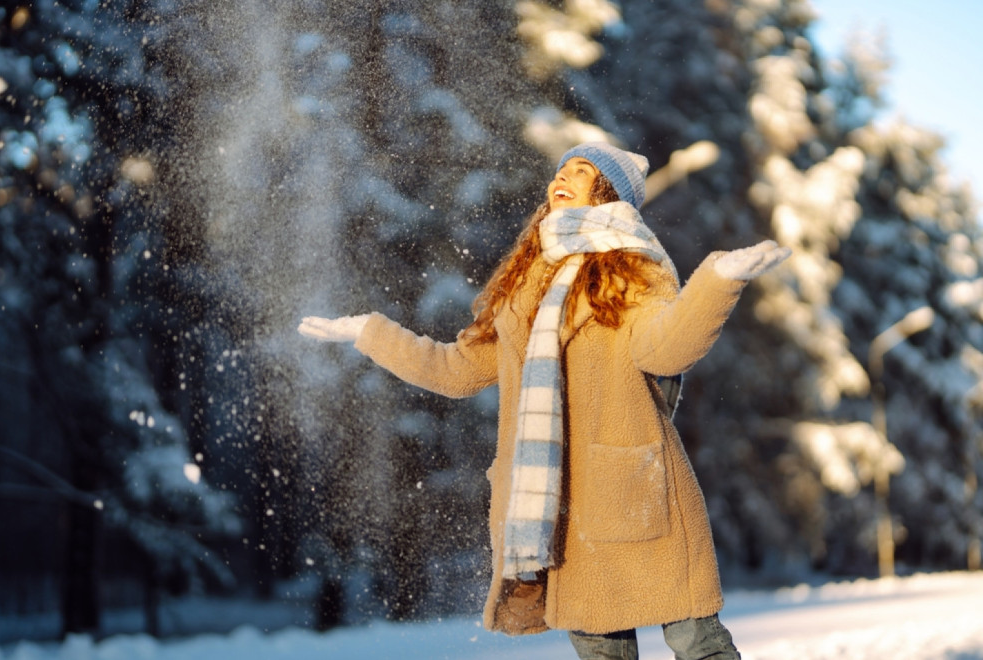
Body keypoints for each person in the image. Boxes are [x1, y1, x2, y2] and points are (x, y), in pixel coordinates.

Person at [299, 142, 790, 660]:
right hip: (562, 507)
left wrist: (718, 282)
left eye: (582, 171)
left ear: (607, 192)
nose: (564, 176)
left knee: (696, 642)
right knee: (600, 651)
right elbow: (456, 369)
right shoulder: (524, 284)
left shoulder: (633, 267)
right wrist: (371, 333)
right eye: (561, 169)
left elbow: (665, 349)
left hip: (634, 492)